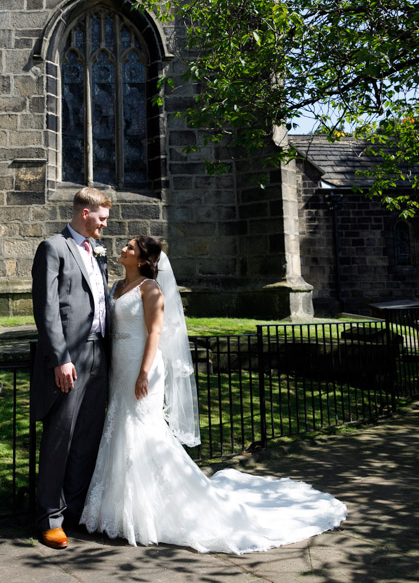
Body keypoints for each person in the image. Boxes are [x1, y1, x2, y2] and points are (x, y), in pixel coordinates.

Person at [81, 236, 348, 554]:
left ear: (141, 260)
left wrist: (143, 372)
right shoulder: (116, 288)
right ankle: (119, 507)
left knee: (141, 430)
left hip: (143, 366)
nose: (122, 249)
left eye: (130, 248)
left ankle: (145, 512)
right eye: (125, 246)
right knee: (120, 427)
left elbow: (155, 331)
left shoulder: (150, 289)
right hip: (119, 366)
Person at [31, 186, 112, 549]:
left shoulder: (97, 252)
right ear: (85, 213)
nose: (105, 226)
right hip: (70, 357)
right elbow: (47, 308)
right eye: (102, 218)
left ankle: (76, 510)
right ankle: (51, 517)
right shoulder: (53, 247)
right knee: (60, 435)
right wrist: (60, 357)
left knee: (87, 437)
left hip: (99, 354)